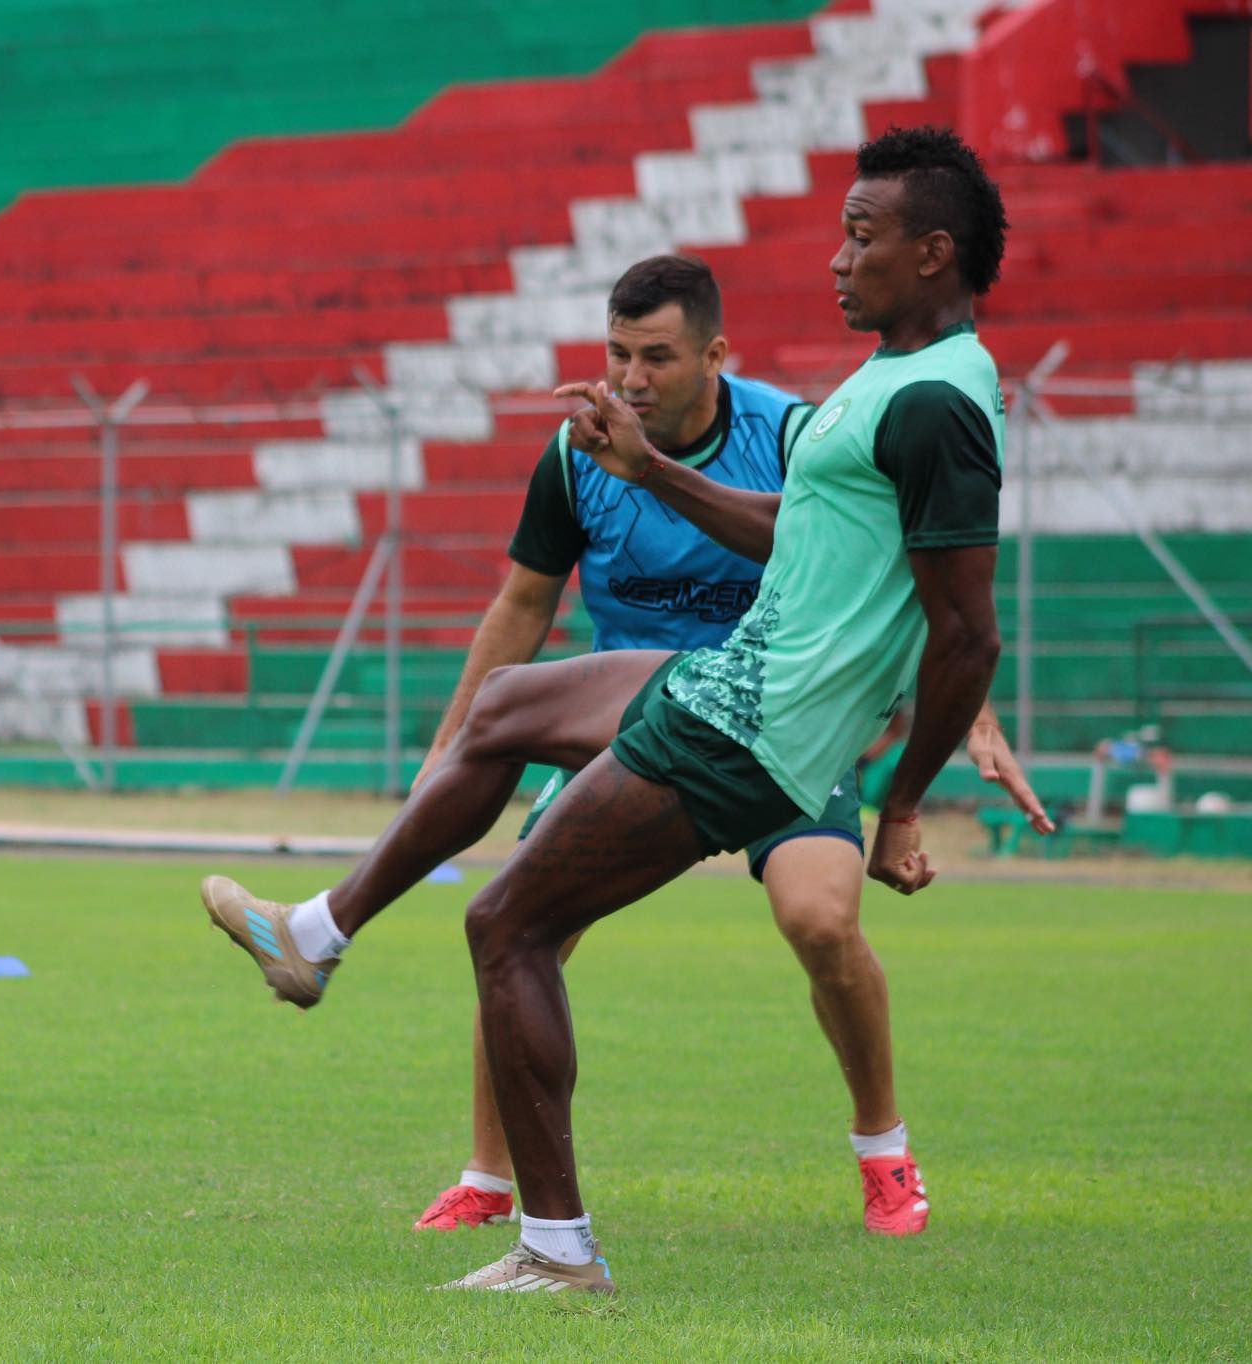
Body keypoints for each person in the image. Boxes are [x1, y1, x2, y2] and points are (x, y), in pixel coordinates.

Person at [202, 126, 1015, 1293]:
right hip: (735, 675)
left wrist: (900, 804)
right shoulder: (890, 382)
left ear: (932, 252)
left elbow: (966, 628)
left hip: (757, 718)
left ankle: (557, 1248)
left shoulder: (935, 404)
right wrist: (648, 468)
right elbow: (803, 536)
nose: (836, 259)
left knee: (506, 927)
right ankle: (313, 935)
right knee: (503, 706)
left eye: (860, 235)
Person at [404, 255, 1049, 1240]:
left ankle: (883, 1150)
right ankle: (488, 1178)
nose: (629, 378)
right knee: (519, 927)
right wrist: (448, 746)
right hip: (626, 727)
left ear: (713, 354)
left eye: (655, 356)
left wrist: (974, 716)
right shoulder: (576, 452)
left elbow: (908, 571)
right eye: (616, 353)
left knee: (820, 919)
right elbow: (520, 604)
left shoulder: (795, 436)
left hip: (781, 718)